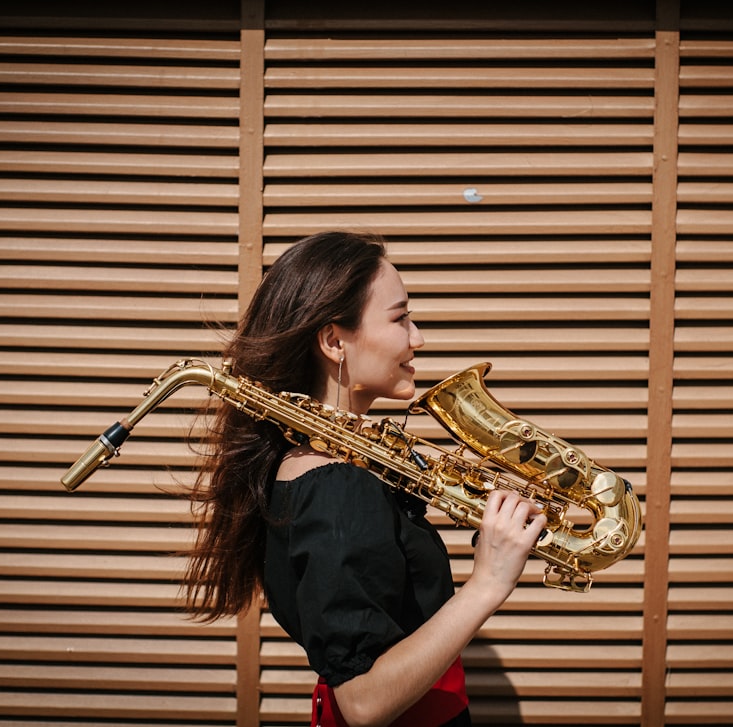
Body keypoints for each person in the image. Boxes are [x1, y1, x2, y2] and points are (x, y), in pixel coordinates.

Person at [182, 231, 546, 727]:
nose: (418, 338)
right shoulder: (336, 487)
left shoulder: (335, 470)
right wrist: (487, 582)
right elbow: (364, 701)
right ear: (334, 341)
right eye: (401, 318)